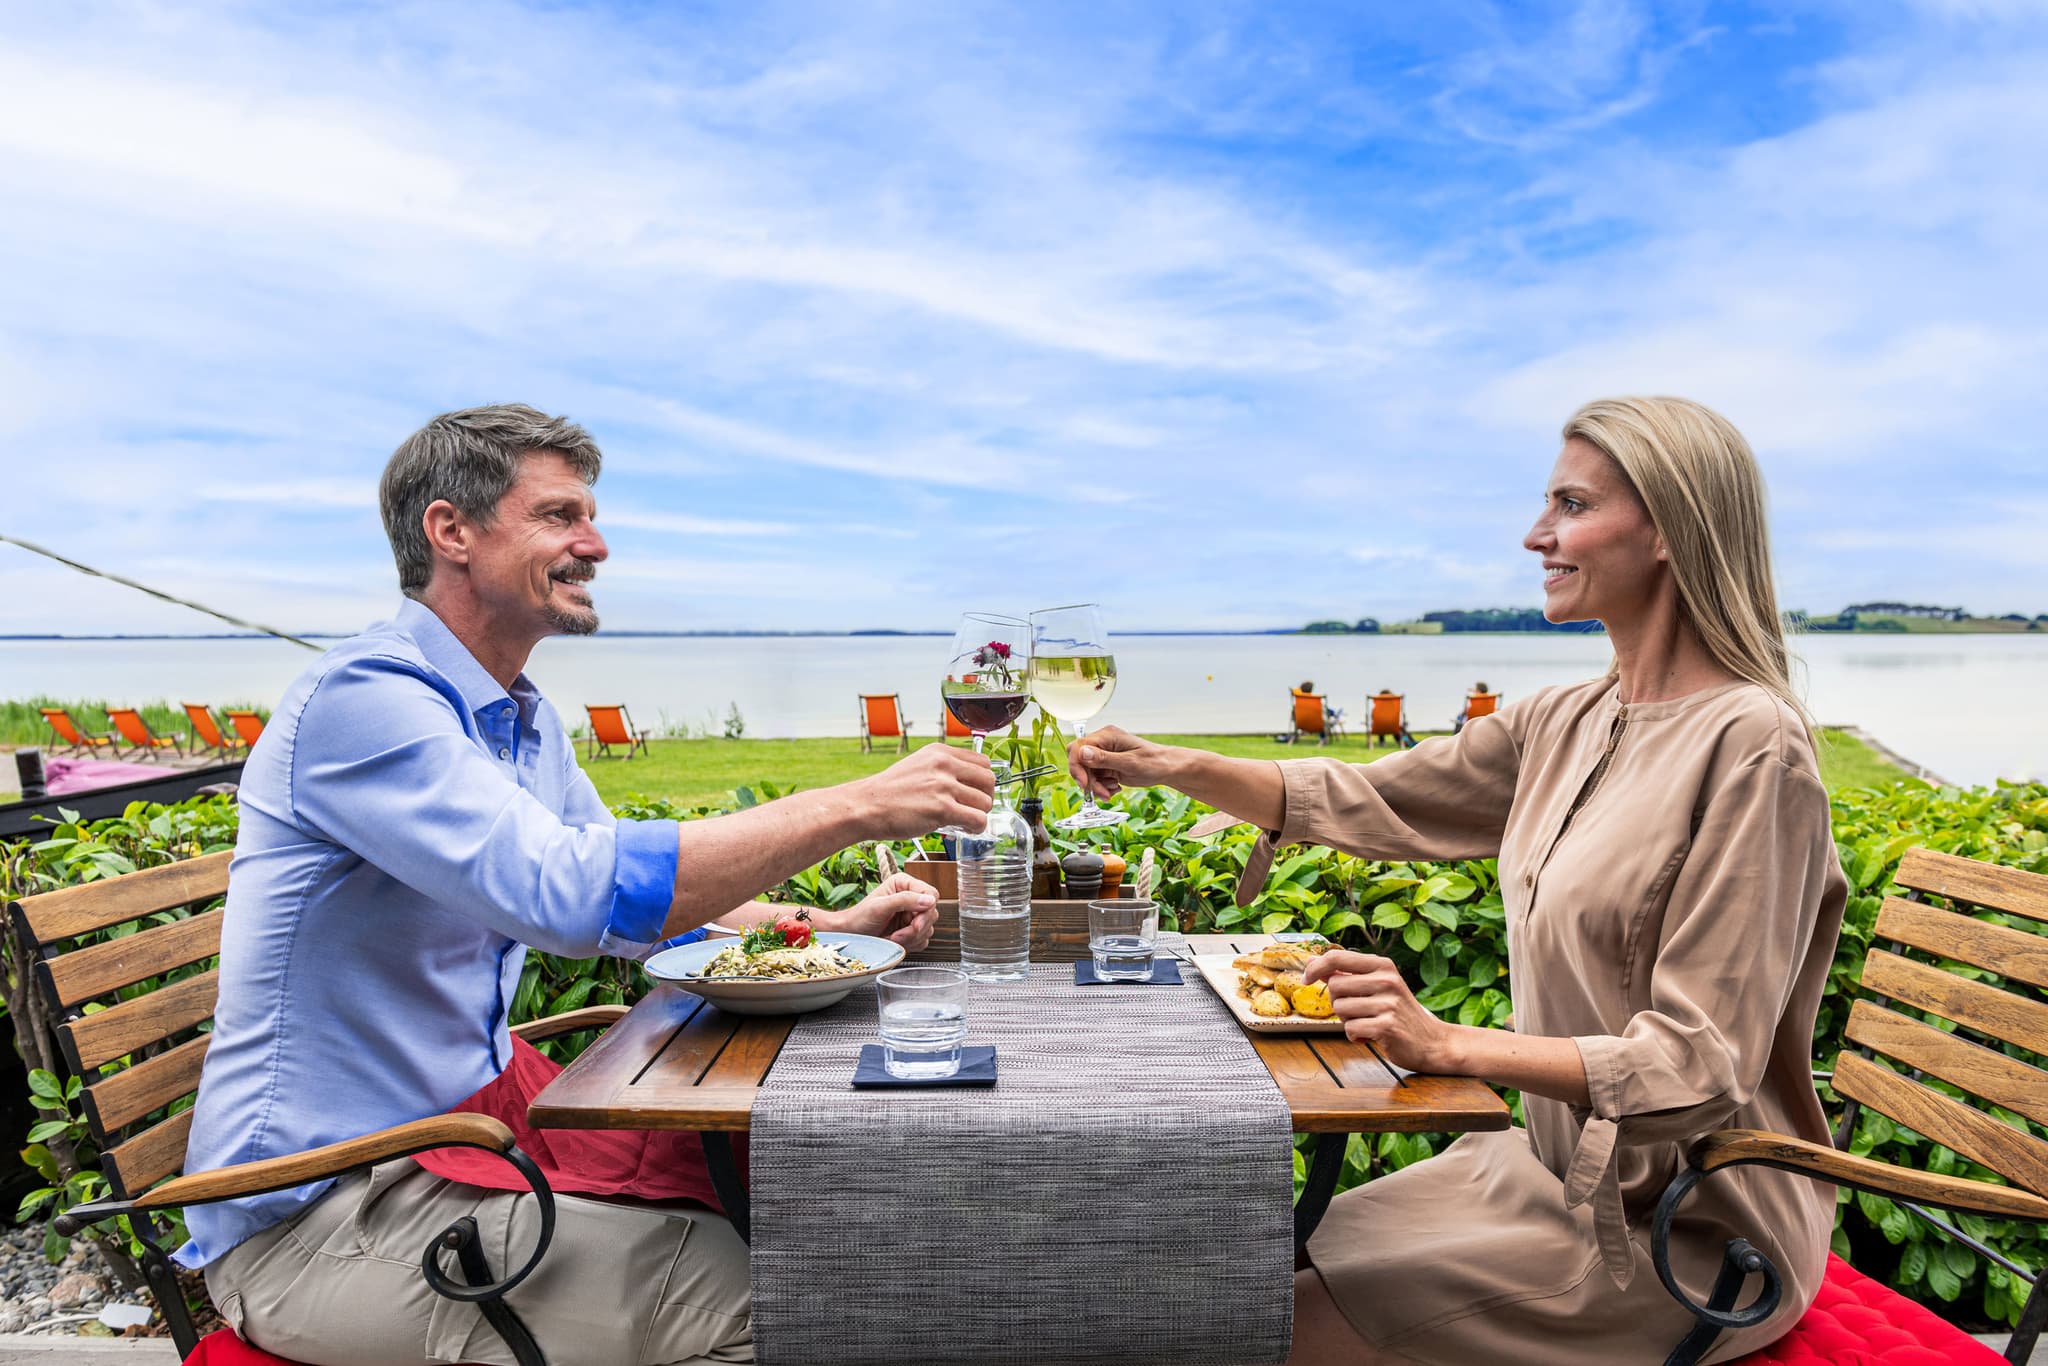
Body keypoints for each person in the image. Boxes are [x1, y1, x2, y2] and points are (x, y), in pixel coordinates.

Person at [178, 405, 996, 1366]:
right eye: (560, 516)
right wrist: (849, 805)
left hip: (464, 1144)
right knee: (782, 1308)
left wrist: (825, 925)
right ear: (452, 532)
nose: (595, 544)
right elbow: (574, 899)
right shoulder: (367, 704)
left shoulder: (517, 718)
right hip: (327, 1210)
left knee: (823, 1220)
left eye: (590, 518)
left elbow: (631, 900)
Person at [1070, 396, 1845, 1365]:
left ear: (1664, 530)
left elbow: (1698, 1063)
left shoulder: (1753, 748)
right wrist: (1165, 763)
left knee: (1273, 1333)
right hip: (1532, 1172)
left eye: (1569, 504)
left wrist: (1444, 1043)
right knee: (1239, 1269)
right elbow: (1369, 796)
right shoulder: (1564, 718)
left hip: (1683, 1234)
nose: (1535, 534)